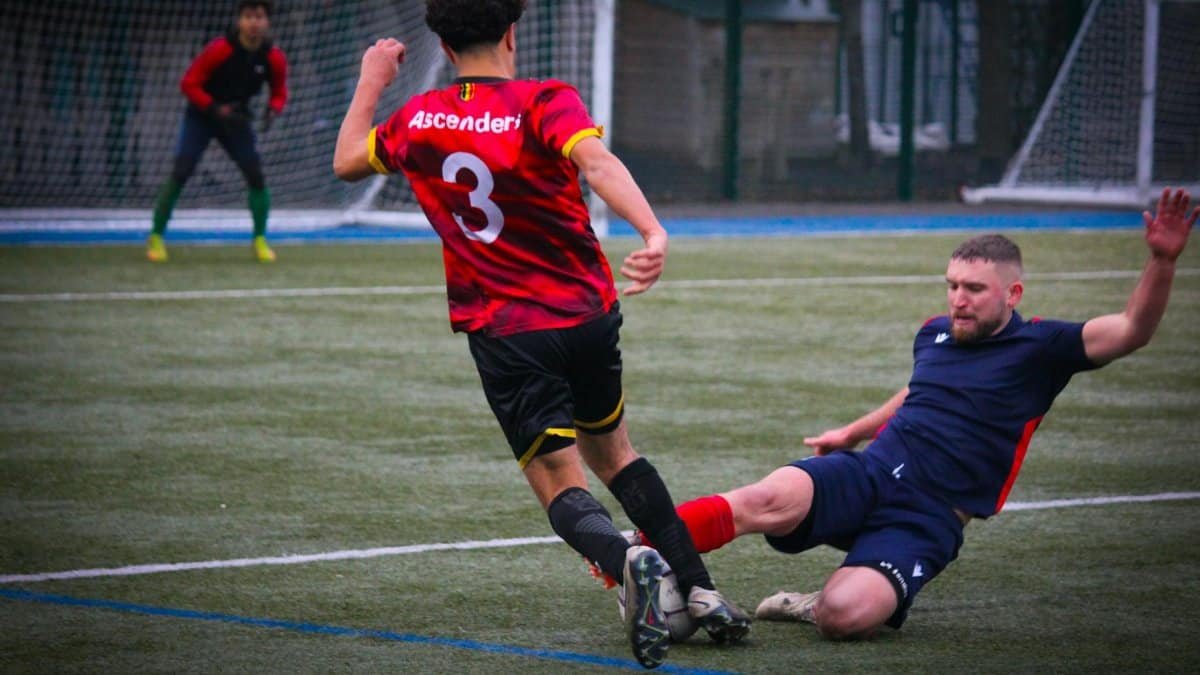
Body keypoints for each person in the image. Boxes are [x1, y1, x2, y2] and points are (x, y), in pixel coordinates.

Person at [331, 0, 749, 668]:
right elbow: (598, 164)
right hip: (586, 314)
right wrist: (653, 231)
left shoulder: (419, 119)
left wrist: (373, 78)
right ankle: (702, 590)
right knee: (616, 452)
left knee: (560, 480)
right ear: (512, 32)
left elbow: (348, 159)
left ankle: (627, 557)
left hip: (508, 329)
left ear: (440, 46)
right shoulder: (546, 100)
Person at [651, 189, 1196, 640]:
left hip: (928, 516)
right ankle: (637, 550)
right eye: (953, 286)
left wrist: (1162, 261)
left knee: (844, 618)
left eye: (975, 289)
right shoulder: (934, 332)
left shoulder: (1042, 348)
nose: (959, 299)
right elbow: (918, 391)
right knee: (765, 497)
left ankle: (815, 601)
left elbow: (1131, 330)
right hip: (869, 473)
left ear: (1013, 293)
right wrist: (854, 432)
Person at [146, 0, 288, 263]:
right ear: (239, 20)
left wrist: (273, 108)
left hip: (235, 119)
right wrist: (213, 107)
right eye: (248, 16)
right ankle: (156, 235)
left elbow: (279, 91)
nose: (254, 22)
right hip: (202, 116)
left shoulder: (273, 57)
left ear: (267, 21)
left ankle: (260, 239)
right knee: (182, 170)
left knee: (255, 175)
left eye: (259, 16)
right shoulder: (219, 50)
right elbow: (189, 83)